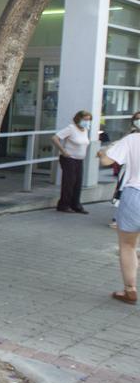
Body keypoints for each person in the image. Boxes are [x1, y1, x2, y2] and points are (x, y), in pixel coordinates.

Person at [96, 119, 140, 305]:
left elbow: (107, 160)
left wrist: (102, 151)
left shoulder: (133, 139)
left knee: (128, 245)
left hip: (135, 195)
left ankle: (129, 290)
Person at [53, 110, 93, 214]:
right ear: (79, 119)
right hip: (69, 158)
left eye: (89, 120)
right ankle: (63, 204)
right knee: (69, 182)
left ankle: (75, 204)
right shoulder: (71, 128)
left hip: (79, 159)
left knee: (77, 182)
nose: (87, 122)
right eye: (85, 119)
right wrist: (63, 151)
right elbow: (55, 138)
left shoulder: (85, 130)